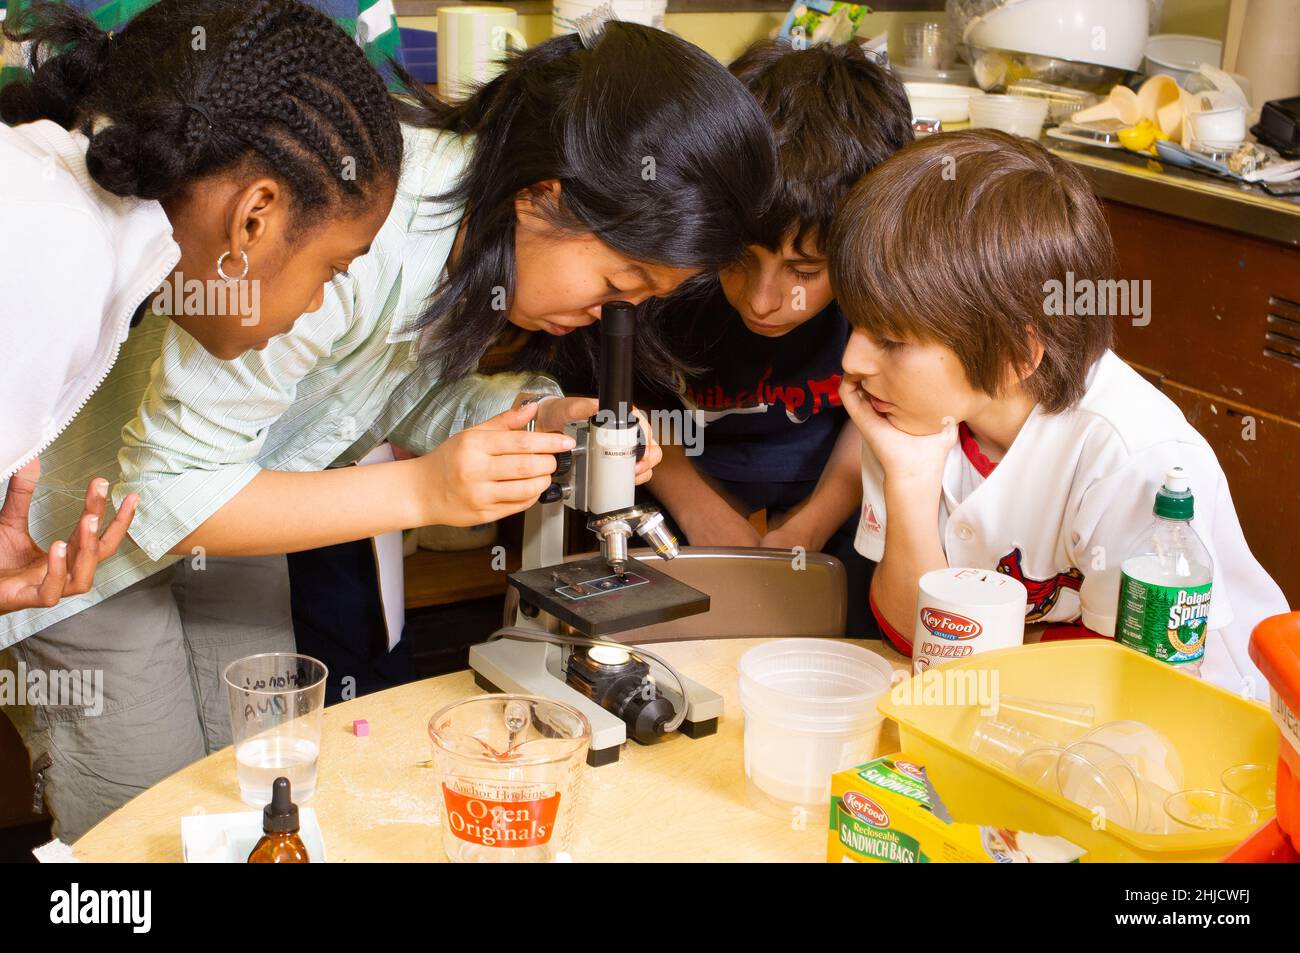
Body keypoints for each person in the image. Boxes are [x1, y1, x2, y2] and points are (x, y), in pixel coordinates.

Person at [0, 18, 777, 839]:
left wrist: (539, 420)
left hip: (236, 525)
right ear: (545, 194)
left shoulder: (464, 228)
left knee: (266, 786)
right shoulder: (340, 226)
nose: (611, 313)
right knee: (150, 822)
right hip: (78, 545)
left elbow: (384, 398)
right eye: (621, 282)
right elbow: (168, 488)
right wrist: (424, 488)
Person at [829, 129, 1288, 698]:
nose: (852, 359)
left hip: (1206, 730)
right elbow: (913, 636)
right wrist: (909, 479)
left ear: (1015, 355)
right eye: (856, 325)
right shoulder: (910, 417)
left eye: (891, 339)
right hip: (1026, 710)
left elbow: (1129, 689)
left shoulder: (1128, 454)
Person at [0, 0, 406, 614]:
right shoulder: (58, 253)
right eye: (332, 269)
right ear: (252, 219)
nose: (321, 300)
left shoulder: (73, 223)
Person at [642, 39, 912, 637]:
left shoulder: (887, 289)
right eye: (737, 260)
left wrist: (811, 526)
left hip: (836, 509)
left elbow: (874, 417)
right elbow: (618, 401)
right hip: (668, 509)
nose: (763, 301)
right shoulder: (668, 269)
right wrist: (695, 505)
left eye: (805, 272)